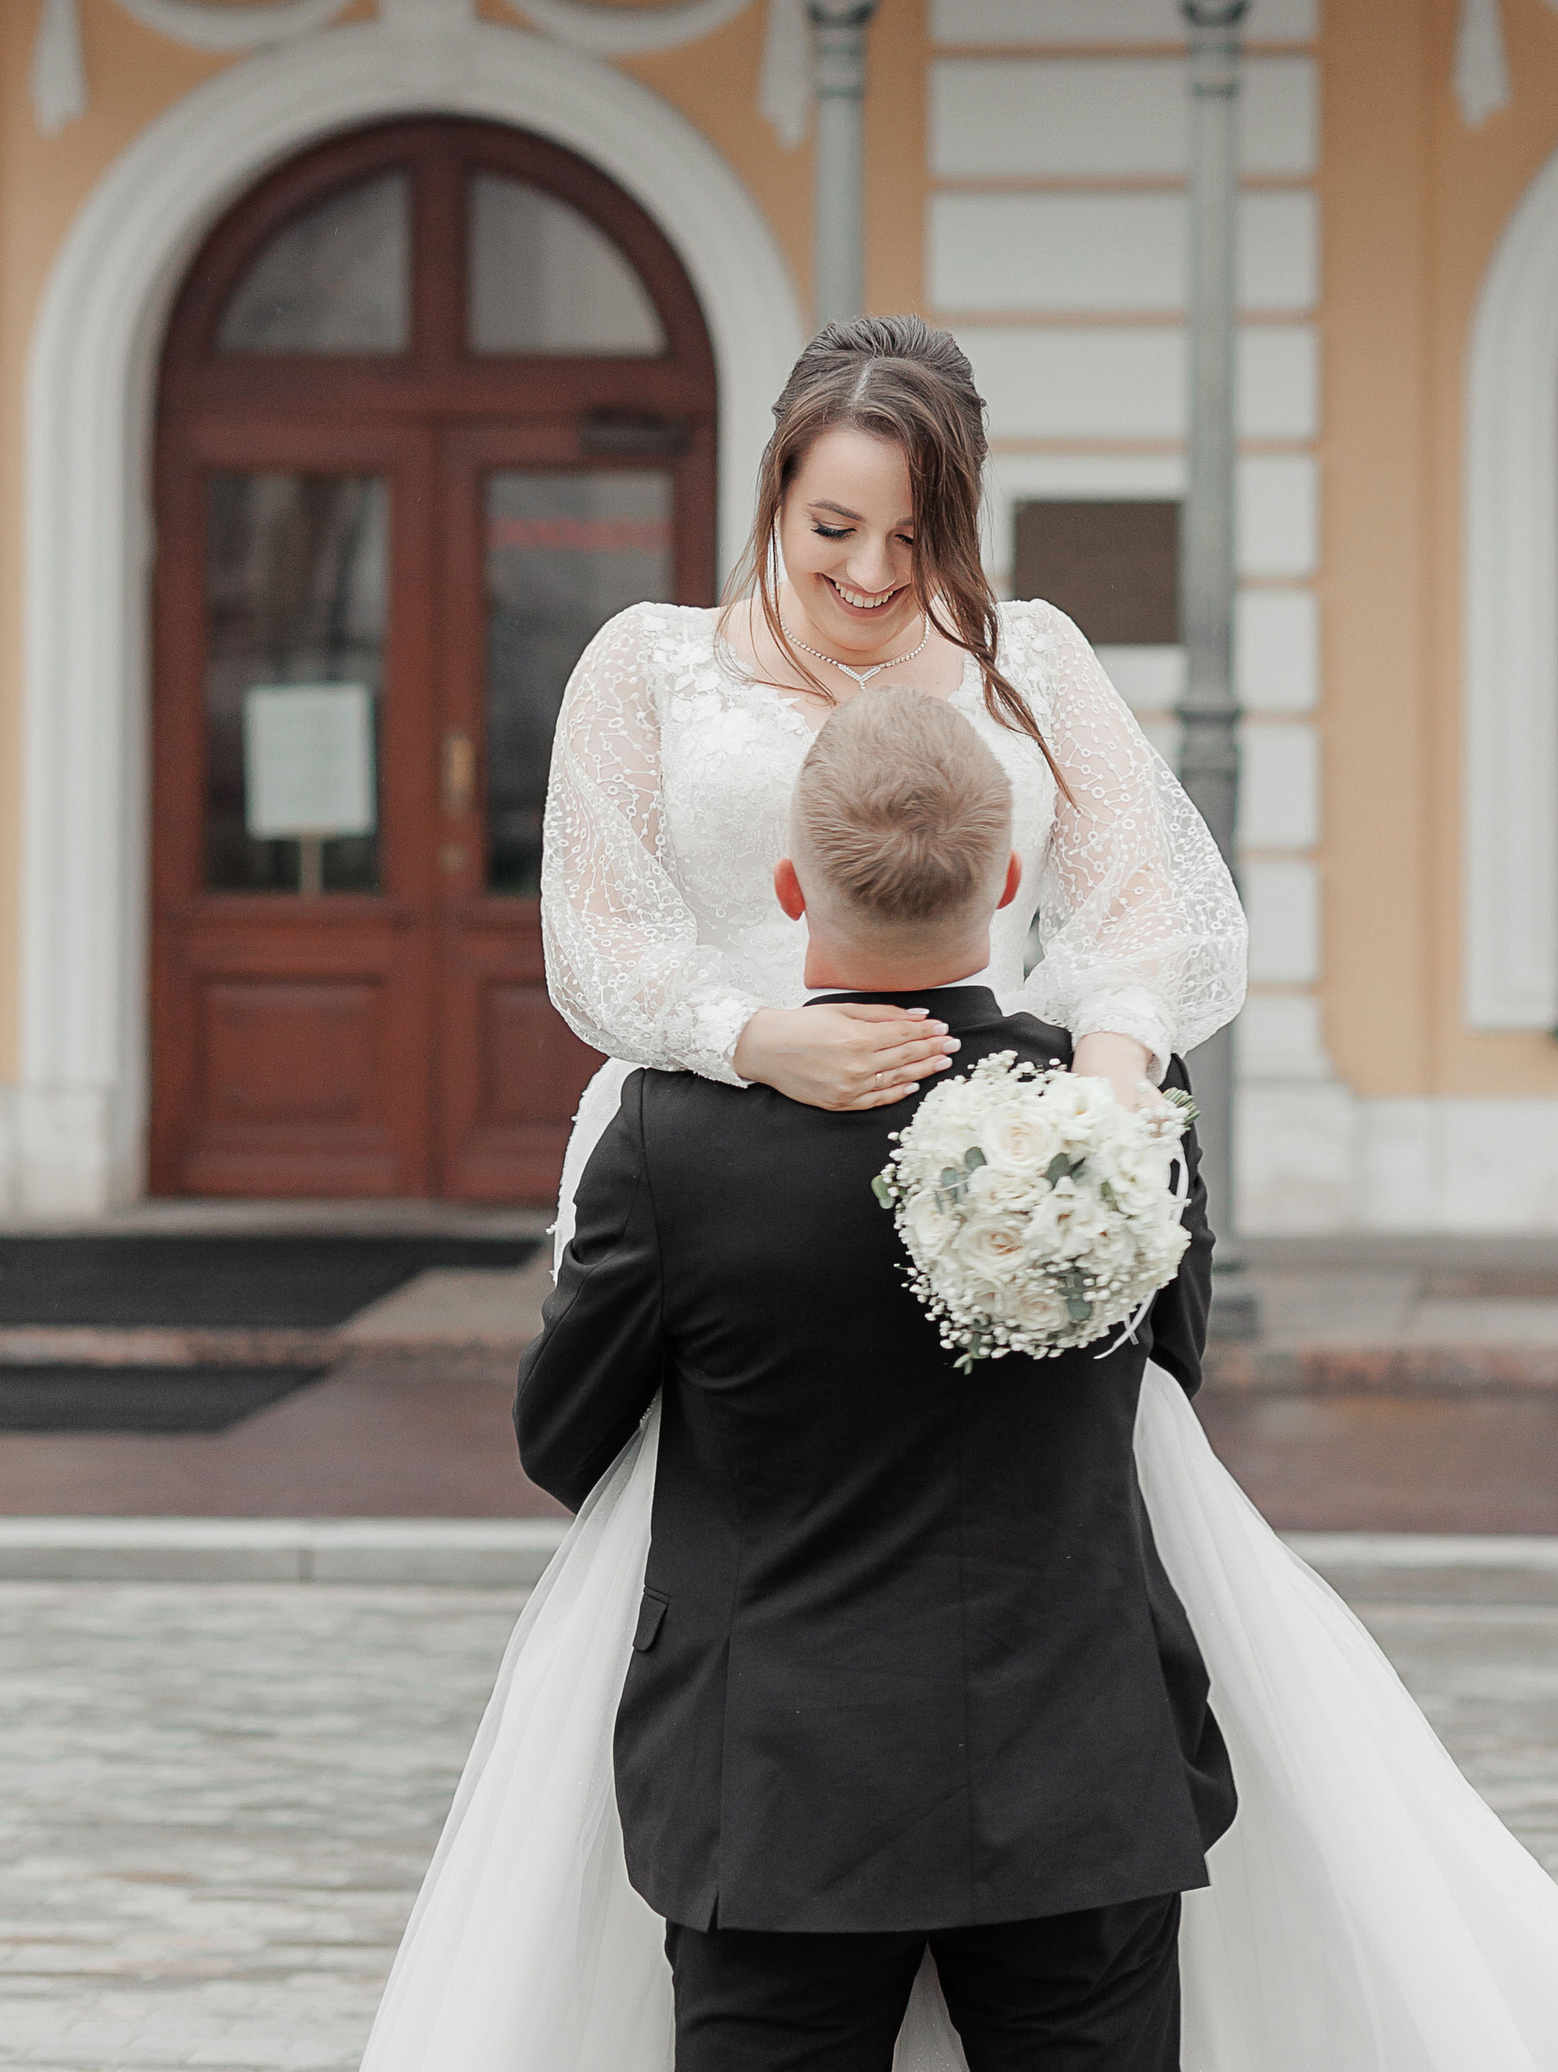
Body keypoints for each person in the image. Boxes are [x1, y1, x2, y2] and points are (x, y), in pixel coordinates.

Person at [358, 317, 1558, 2072]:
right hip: (730, 1169)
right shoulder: (647, 664)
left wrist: (1112, 1078)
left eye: (910, 538)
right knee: (739, 1574)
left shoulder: (1031, 662)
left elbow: (1162, 910)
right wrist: (756, 1035)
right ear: (777, 487)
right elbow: (594, 934)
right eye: (832, 526)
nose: (865, 573)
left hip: (1005, 1184)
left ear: (959, 526)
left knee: (1039, 1547)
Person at [515, 689, 1234, 2072]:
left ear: (790, 885)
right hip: (1078, 1759)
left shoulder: (673, 1138)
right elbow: (1172, 1371)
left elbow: (562, 1439)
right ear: (1009, 879)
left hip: (779, 1784)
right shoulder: (1112, 1111)